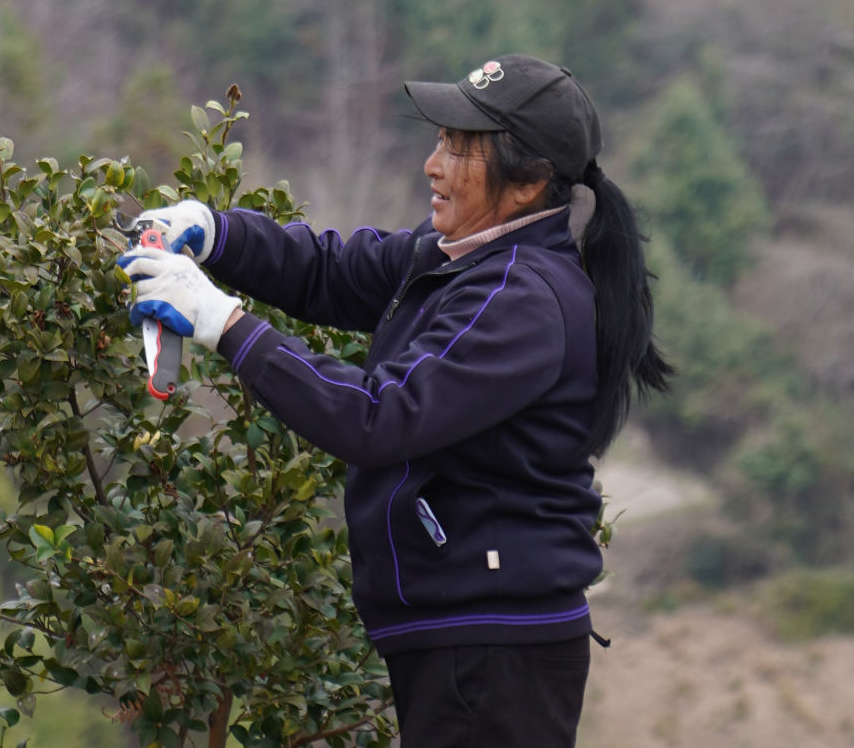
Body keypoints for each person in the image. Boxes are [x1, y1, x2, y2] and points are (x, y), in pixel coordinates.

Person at [120, 54, 672, 748]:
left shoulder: (522, 299)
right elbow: (327, 269)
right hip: (465, 641)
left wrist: (220, 322)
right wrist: (214, 230)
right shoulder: (453, 256)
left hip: (494, 652)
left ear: (530, 182)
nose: (432, 164)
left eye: (459, 149)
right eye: (439, 140)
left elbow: (378, 416)